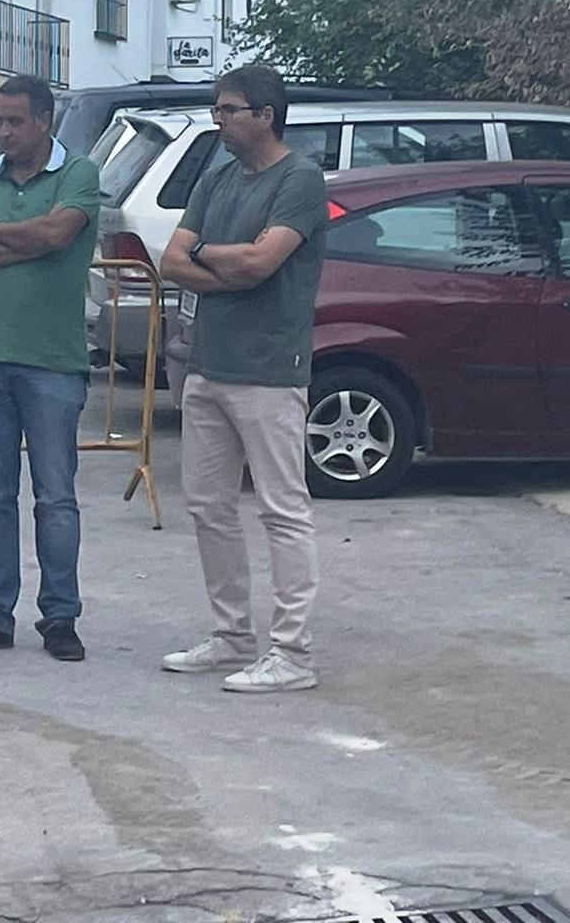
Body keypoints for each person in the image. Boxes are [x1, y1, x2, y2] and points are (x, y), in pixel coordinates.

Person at [155, 63, 329, 694]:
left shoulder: (301, 181)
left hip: (268, 370)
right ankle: (232, 637)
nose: (218, 118)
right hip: (207, 365)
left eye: (229, 109)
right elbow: (173, 260)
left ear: (265, 115)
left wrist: (212, 258)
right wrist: (218, 262)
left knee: (283, 509)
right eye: (217, 108)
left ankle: (293, 653)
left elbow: (263, 263)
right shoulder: (217, 177)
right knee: (208, 506)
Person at [0, 77, 101, 662]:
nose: (3, 132)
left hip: (54, 361)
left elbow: (60, 234)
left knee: (55, 497)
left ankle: (60, 617)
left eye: (14, 121)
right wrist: (22, 241)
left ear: (44, 120)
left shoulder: (78, 173)